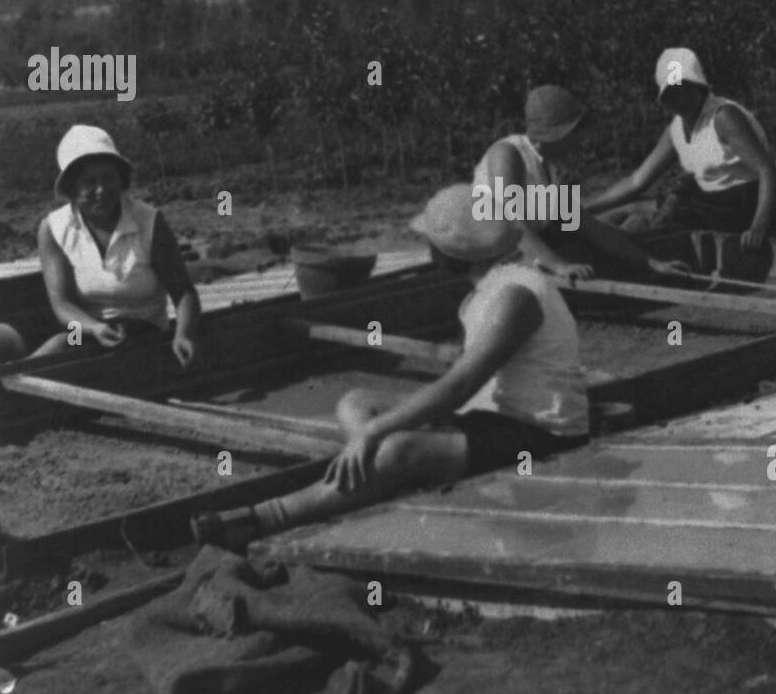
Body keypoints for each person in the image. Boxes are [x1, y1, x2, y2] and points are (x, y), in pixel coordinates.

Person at [193, 185, 592, 551]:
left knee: (396, 447)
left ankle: (263, 518)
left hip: (538, 435)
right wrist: (372, 429)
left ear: (452, 251)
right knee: (356, 403)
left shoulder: (515, 297)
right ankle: (382, 480)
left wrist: (375, 433)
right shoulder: (488, 290)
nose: (428, 250)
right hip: (492, 420)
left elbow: (461, 385)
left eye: (432, 243)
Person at [0, 125, 201, 369]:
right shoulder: (53, 228)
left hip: (130, 326)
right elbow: (61, 303)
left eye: (109, 178)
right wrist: (92, 326)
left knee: (58, 347)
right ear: (72, 188)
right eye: (89, 182)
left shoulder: (149, 222)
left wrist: (183, 334)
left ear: (121, 179)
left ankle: (2, 395)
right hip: (76, 320)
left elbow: (184, 292)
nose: (101, 190)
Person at [473, 84, 687, 282]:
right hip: (487, 256)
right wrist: (560, 266)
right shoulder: (507, 154)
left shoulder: (552, 170)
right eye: (573, 133)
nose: (578, 141)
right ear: (555, 134)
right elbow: (513, 225)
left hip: (526, 251)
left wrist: (652, 262)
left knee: (608, 233)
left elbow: (590, 228)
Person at [584, 48, 776, 249]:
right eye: (671, 95)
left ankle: (625, 243)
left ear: (698, 86)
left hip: (745, 206)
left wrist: (759, 226)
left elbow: (767, 171)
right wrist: (587, 208)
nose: (680, 101)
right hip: (711, 204)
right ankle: (604, 234)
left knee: (676, 196)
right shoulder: (676, 129)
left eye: (684, 91)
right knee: (639, 208)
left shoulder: (723, 117)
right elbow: (636, 182)